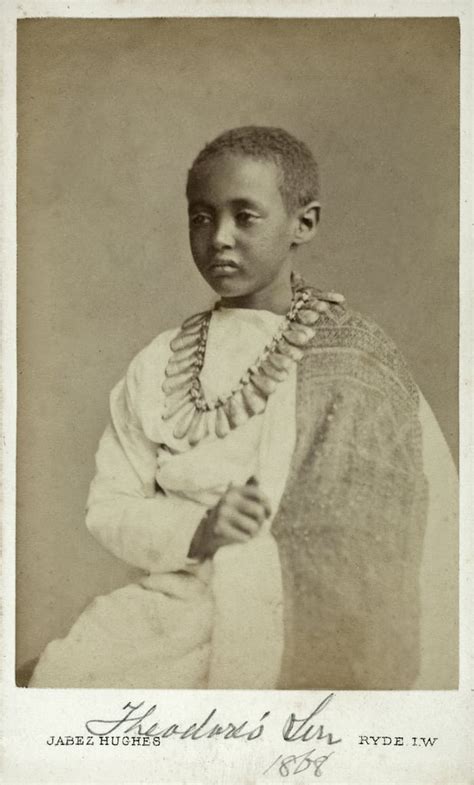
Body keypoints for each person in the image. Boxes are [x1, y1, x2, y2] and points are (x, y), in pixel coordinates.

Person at [29, 126, 457, 690]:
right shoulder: (158, 363)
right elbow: (110, 506)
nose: (219, 238)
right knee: (61, 683)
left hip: (302, 616)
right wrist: (199, 531)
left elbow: (424, 526)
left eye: (245, 216)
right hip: (173, 605)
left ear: (303, 223)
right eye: (201, 218)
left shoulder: (356, 357)